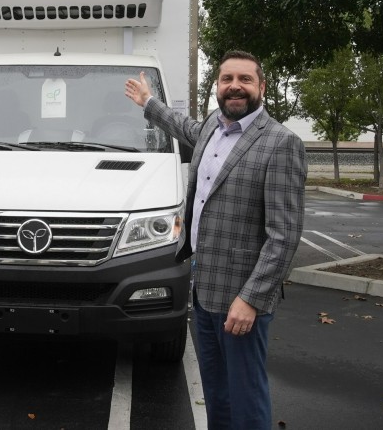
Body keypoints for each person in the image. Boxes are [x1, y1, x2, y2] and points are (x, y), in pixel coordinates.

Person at [124, 50, 306, 430]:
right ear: (217, 87)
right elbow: (184, 127)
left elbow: (284, 235)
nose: (235, 87)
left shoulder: (280, 143)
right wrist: (149, 103)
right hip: (205, 290)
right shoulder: (212, 126)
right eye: (227, 80)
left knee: (246, 395)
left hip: (242, 299)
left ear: (262, 87)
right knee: (216, 393)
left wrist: (251, 299)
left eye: (245, 79)